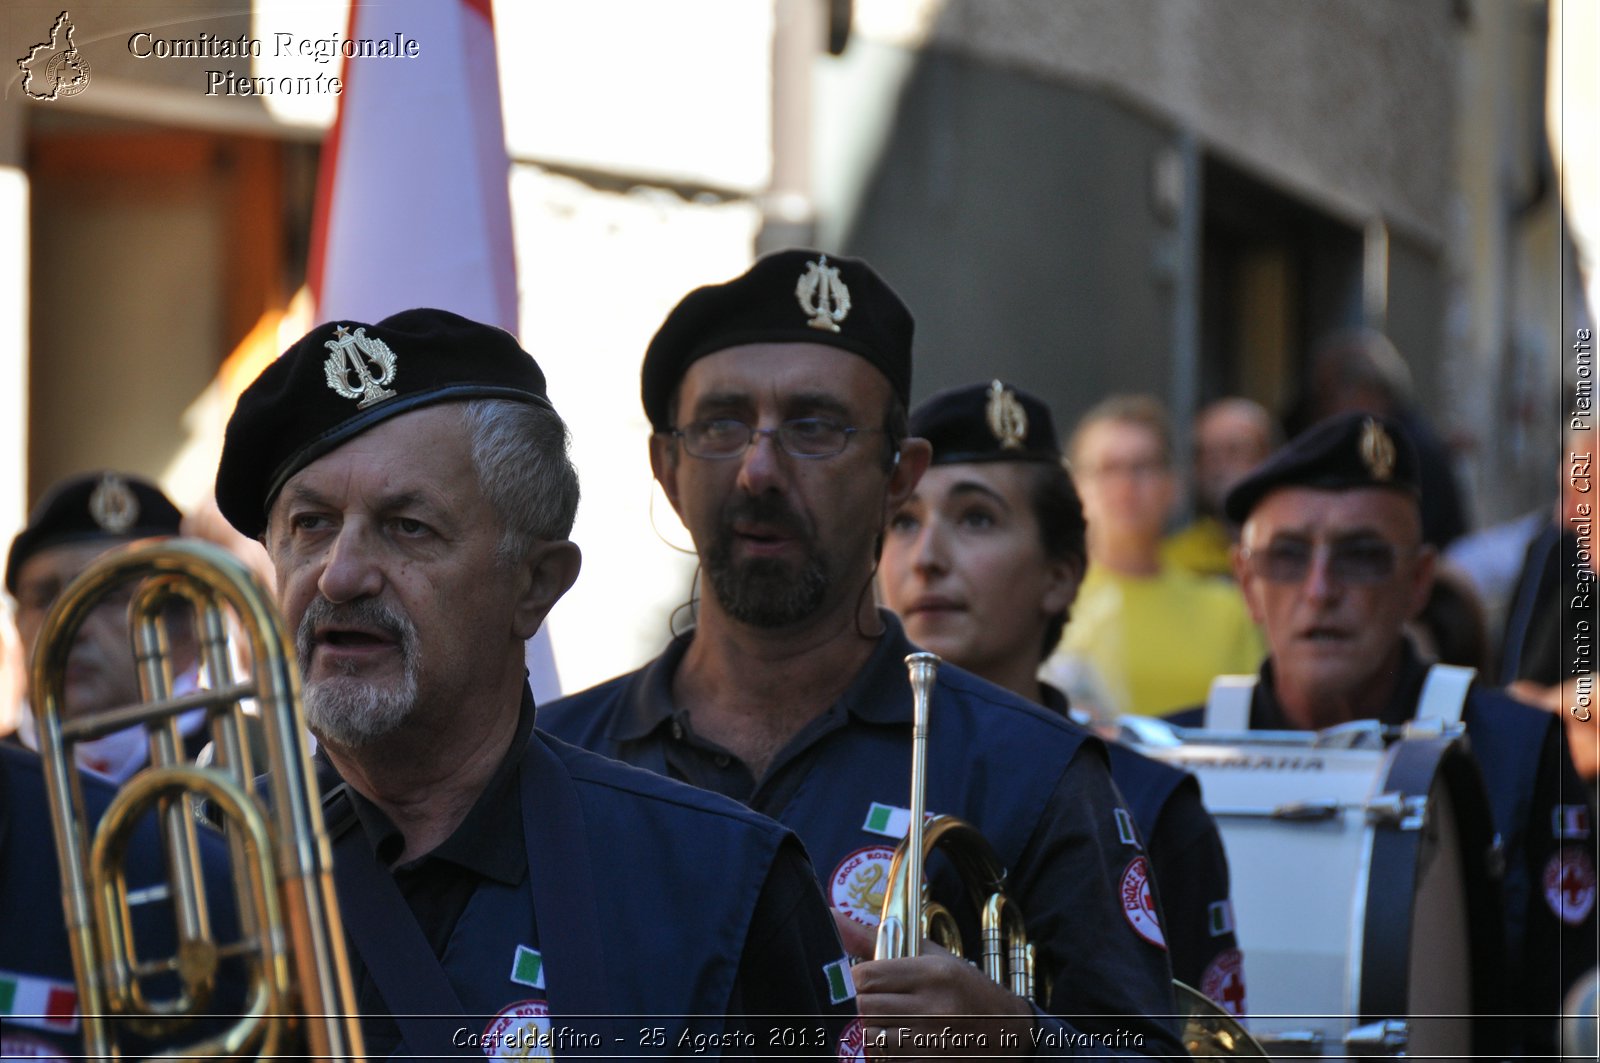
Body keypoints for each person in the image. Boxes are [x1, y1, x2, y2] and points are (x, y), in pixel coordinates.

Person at [542, 251, 1185, 1057]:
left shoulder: (1037, 771)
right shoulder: (552, 756)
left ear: (898, 478)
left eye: (815, 426)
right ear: (668, 468)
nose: (760, 469)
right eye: (721, 424)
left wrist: (1016, 1039)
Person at [214, 308, 858, 1058]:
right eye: (311, 525)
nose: (341, 572)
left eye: (408, 526)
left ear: (536, 584)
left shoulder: (720, 884)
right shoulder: (198, 858)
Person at [1166, 410, 1597, 1057]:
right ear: (1247, 582)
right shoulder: (1171, 760)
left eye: (1362, 556)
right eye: (1286, 556)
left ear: (1418, 581)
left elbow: (1561, 1007)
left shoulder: (1516, 747)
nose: (1320, 589)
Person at [876, 379, 1246, 1013]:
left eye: (976, 518)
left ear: (1060, 575)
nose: (926, 556)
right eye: (903, 521)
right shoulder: (829, 766)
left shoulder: (1154, 808)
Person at [1041, 395, 1263, 719]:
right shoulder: (1047, 603)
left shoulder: (1227, 608)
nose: (1125, 485)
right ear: (1076, 488)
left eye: (1142, 467)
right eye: (1107, 468)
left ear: (1174, 485)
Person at [5, 472, 208, 780]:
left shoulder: (259, 758)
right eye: (43, 598)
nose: (67, 627)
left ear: (185, 629)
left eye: (108, 596)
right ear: (18, 626)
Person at [1162, 397, 1276, 580]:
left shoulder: (1298, 549)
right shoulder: (1174, 559)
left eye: (1234, 450)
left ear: (1268, 457)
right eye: (1204, 454)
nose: (1218, 466)